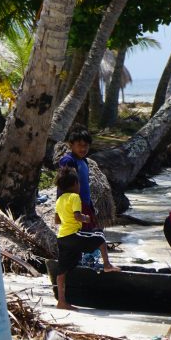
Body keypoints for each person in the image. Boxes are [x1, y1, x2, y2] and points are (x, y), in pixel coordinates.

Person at [54, 167, 119, 310]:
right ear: (76, 184)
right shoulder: (75, 197)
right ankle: (107, 265)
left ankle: (61, 301)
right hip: (73, 235)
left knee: (62, 271)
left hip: (62, 237)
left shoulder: (59, 200)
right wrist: (86, 218)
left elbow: (57, 220)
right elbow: (78, 216)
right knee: (100, 237)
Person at [58, 128, 97, 232]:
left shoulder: (84, 161)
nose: (83, 149)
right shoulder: (68, 161)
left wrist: (90, 206)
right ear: (71, 145)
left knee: (89, 233)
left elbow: (85, 185)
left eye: (86, 146)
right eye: (80, 145)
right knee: (81, 234)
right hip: (74, 206)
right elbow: (63, 185)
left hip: (85, 203)